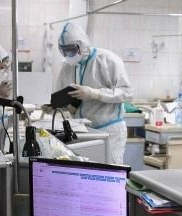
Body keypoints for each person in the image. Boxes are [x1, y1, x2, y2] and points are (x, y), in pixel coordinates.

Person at [53, 22, 133, 164]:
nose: (68, 55)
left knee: (110, 171)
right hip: (83, 132)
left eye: (71, 50)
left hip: (109, 131)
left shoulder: (107, 60)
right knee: (87, 172)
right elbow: (61, 94)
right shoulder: (68, 66)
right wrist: (54, 105)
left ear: (82, 45)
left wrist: (95, 93)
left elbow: (127, 93)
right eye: (64, 51)